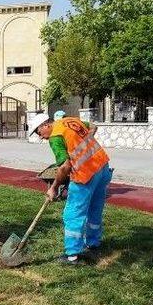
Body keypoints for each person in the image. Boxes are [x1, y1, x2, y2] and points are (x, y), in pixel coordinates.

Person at [28, 113, 111, 265]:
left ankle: (72, 255)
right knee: (95, 209)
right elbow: (93, 127)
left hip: (85, 175)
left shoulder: (55, 137)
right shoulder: (68, 120)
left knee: (73, 214)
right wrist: (83, 146)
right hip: (102, 167)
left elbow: (65, 166)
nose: (40, 137)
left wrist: (53, 188)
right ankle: (93, 244)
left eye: (38, 133)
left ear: (45, 125)